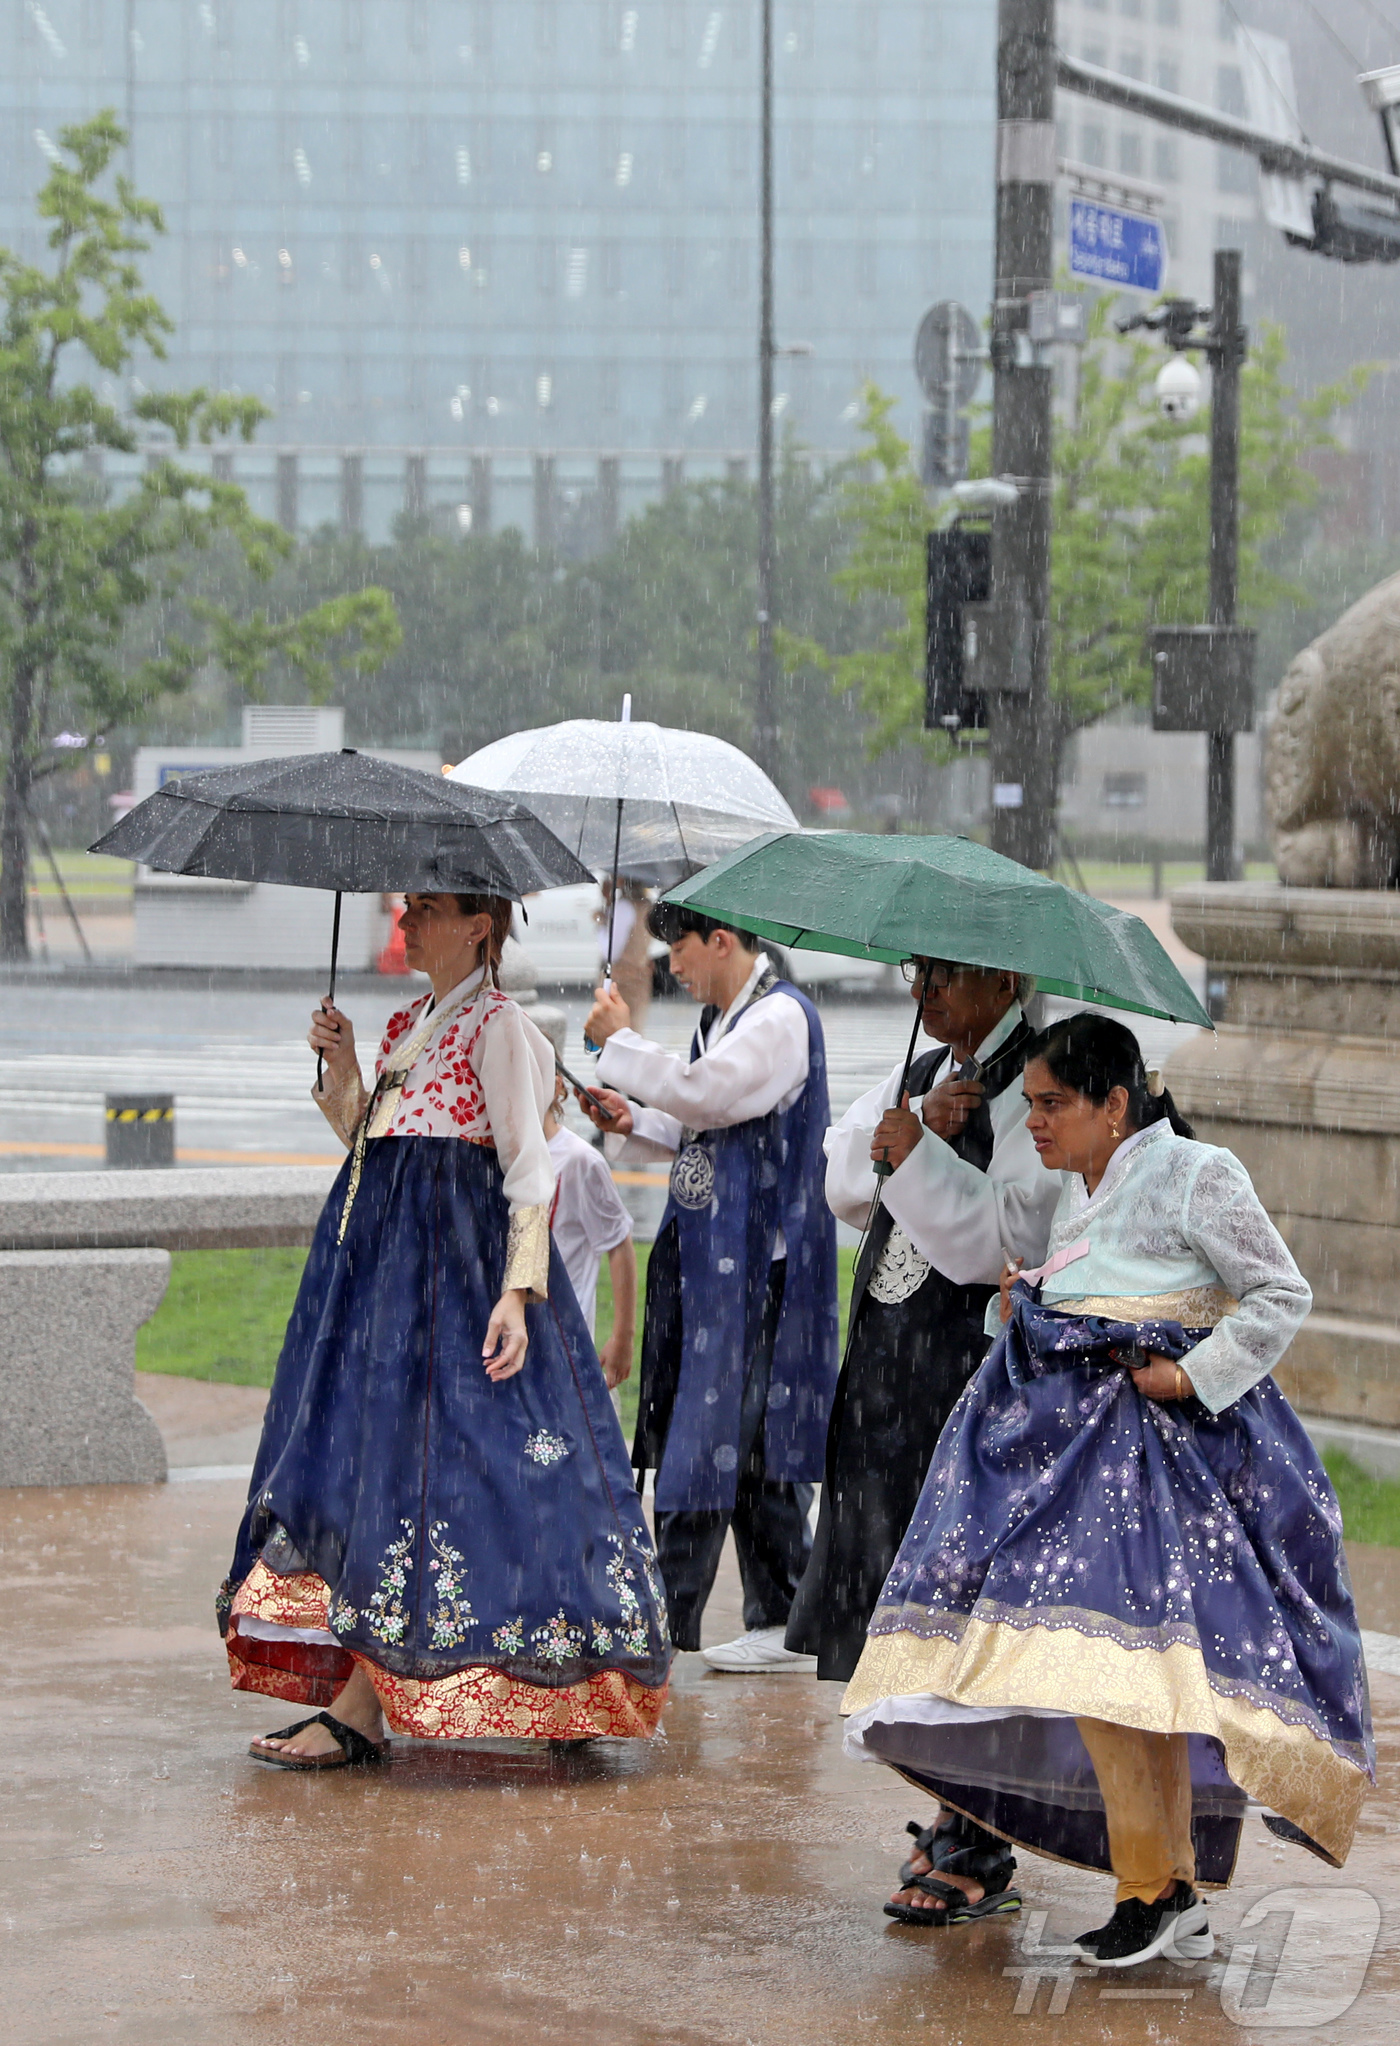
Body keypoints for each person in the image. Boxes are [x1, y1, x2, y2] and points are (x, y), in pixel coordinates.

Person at [842, 1015, 1373, 1965]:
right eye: (1033, 1105)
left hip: (1163, 1457)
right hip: (1088, 1454)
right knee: (1126, 1678)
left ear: (1114, 1103)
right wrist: (1030, 1300)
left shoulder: (1199, 1174)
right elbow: (1106, 1288)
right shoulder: (1076, 1192)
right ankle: (1163, 1884)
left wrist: (1193, 1374)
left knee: (1120, 1673)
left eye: (1053, 1104)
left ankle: (1156, 1887)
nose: (1034, 1123)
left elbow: (1280, 1292)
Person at [218, 890, 670, 1766]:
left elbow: (529, 1167)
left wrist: (517, 1291)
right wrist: (344, 1066)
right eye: (406, 907)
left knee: (511, 1474)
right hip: (388, 1285)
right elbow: (370, 1141)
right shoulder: (408, 1024)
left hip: (461, 1285)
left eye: (426, 908)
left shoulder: (499, 1027)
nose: (405, 921)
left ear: (479, 928)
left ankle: (566, 1680)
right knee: (390, 1476)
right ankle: (364, 1703)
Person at [579, 902, 840, 1670]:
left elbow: (706, 1093)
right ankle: (781, 1618)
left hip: (760, 1271)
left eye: (682, 950)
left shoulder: (779, 1019)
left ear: (722, 940)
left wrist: (618, 1043)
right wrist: (635, 1119)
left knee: (711, 1434)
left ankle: (664, 1620)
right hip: (716, 1260)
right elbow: (705, 1121)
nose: (675, 967)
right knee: (745, 1438)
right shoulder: (726, 1019)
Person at [785, 956, 1058, 1681]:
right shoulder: (927, 1067)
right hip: (884, 1350)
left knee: (949, 1556)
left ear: (1005, 979)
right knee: (874, 1531)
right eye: (918, 971)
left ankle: (955, 1765)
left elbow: (1011, 1240)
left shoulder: (1037, 1080)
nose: (921, 990)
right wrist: (909, 1126)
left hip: (957, 1358)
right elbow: (838, 1177)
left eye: (944, 975)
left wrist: (917, 1157)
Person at [542, 1066, 638, 1391]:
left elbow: (618, 1242)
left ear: (557, 1084)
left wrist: (622, 1336)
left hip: (562, 1347)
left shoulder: (579, 1161)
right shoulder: (493, 1155)